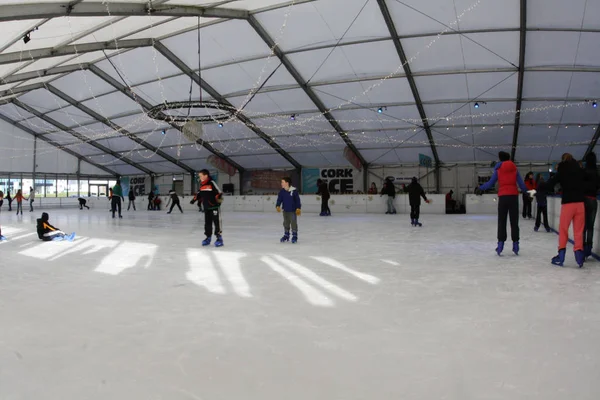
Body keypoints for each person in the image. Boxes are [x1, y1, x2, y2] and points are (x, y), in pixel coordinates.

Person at [477, 151, 528, 256]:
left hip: (503, 197)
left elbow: (491, 183)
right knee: (514, 221)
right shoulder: (514, 168)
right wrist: (526, 192)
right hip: (513, 196)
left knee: (502, 221)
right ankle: (516, 244)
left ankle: (500, 245)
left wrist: (480, 188)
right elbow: (521, 184)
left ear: (500, 159)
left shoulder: (498, 169)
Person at [541, 153, 586, 267]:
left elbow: (549, 184)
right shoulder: (580, 170)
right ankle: (579, 257)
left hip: (568, 204)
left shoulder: (562, 171)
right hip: (580, 204)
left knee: (563, 229)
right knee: (578, 231)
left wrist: (540, 187)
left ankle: (561, 256)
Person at [198, 169, 224, 247]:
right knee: (207, 223)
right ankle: (208, 238)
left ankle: (219, 238)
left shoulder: (212, 183)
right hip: (206, 207)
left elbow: (219, 193)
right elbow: (200, 194)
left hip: (214, 207)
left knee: (217, 222)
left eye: (201, 176)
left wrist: (217, 201)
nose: (200, 178)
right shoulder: (202, 185)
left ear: (206, 176)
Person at [583, 152, 599, 258]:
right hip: (593, 200)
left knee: (583, 226)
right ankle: (589, 248)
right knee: (590, 226)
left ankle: (583, 248)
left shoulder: (584, 172)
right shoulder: (597, 173)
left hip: (584, 200)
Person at [276, 177, 302, 243]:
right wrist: (277, 206)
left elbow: (297, 200)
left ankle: (295, 236)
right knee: (286, 223)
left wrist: (298, 208)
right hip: (285, 211)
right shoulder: (282, 191)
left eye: (282, 182)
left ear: (287, 183)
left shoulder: (294, 191)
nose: (281, 183)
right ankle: (286, 235)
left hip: (293, 211)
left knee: (293, 223)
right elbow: (279, 199)